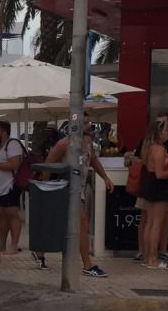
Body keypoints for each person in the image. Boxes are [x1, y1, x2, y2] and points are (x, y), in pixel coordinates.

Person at [42, 114, 114, 275]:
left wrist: (105, 177)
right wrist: (45, 189)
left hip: (78, 189)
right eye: (85, 123)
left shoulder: (87, 143)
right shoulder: (63, 144)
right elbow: (48, 165)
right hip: (66, 189)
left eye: (89, 122)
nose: (89, 126)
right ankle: (87, 265)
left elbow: (93, 160)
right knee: (81, 224)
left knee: (65, 226)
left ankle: (42, 253)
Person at [132, 112, 168, 263]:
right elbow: (160, 174)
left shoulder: (148, 147)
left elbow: (152, 167)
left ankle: (147, 256)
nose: (167, 133)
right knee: (157, 224)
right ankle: (153, 258)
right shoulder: (159, 149)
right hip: (159, 186)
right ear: (159, 132)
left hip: (149, 184)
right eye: (165, 130)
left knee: (149, 222)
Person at [0, 121, 25, 255]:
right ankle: (2, 244)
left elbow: (14, 164)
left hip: (10, 185)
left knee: (12, 215)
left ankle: (14, 245)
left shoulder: (12, 144)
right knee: (1, 215)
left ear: (4, 132)